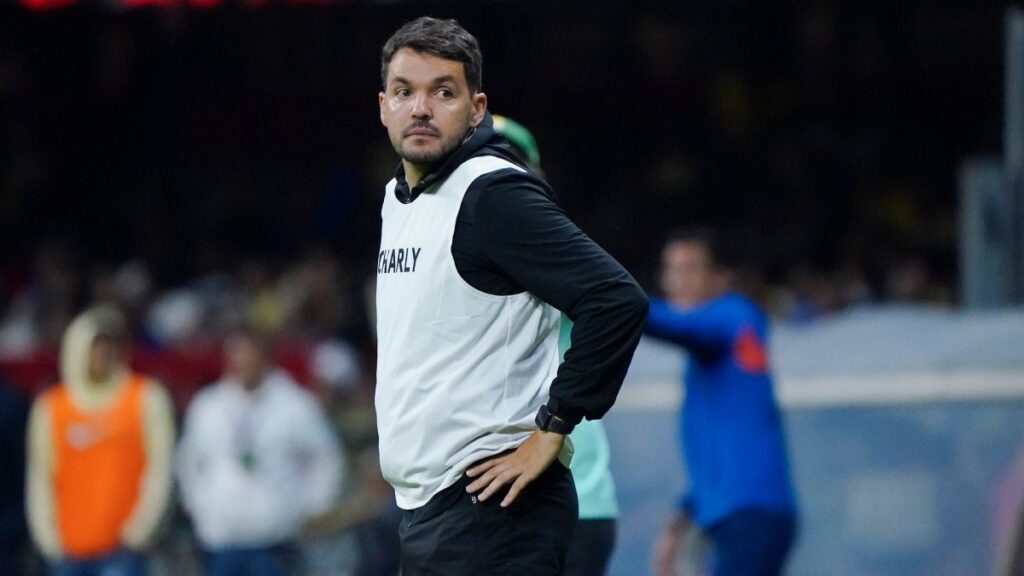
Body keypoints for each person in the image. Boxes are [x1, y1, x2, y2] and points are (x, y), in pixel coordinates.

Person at [375, 16, 648, 575]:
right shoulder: (399, 198)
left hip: (492, 506)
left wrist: (554, 424)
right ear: (383, 105)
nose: (420, 108)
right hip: (434, 509)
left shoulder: (490, 192)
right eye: (405, 92)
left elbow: (616, 299)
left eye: (442, 92)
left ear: (476, 109)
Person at [492, 113, 620, 576]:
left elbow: (618, 302)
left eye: (508, 159)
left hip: (571, 497)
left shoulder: (544, 248)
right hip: (510, 500)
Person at [645, 230, 798, 576]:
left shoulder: (734, 316)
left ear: (721, 277)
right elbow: (723, 445)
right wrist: (680, 519)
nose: (676, 282)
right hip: (745, 517)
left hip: (750, 515)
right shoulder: (718, 346)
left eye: (690, 270)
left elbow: (674, 325)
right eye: (671, 270)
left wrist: (605, 292)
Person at [176, 329, 342, 576]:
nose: (243, 363)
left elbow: (326, 455)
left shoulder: (294, 403)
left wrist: (312, 506)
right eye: (237, 355)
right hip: (222, 537)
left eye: (250, 355)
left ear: (265, 357)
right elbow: (188, 462)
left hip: (275, 538)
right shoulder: (208, 406)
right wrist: (201, 509)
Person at [26, 305, 175, 576]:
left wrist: (140, 531)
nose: (104, 353)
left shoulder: (145, 397)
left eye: (110, 344)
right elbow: (40, 478)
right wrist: (48, 539)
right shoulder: (51, 407)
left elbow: (160, 470)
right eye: (96, 345)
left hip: (122, 551)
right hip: (69, 552)